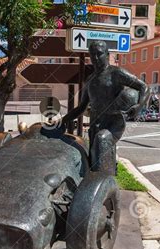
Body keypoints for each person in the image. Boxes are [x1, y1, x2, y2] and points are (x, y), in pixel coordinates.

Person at [62, 41, 149, 173]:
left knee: (102, 139)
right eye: (92, 55)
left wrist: (139, 106)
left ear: (107, 54)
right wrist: (61, 121)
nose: (96, 58)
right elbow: (81, 108)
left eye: (99, 54)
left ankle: (105, 182)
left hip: (114, 123)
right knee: (94, 155)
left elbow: (144, 87)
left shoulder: (116, 73)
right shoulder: (90, 80)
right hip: (95, 123)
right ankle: (98, 182)